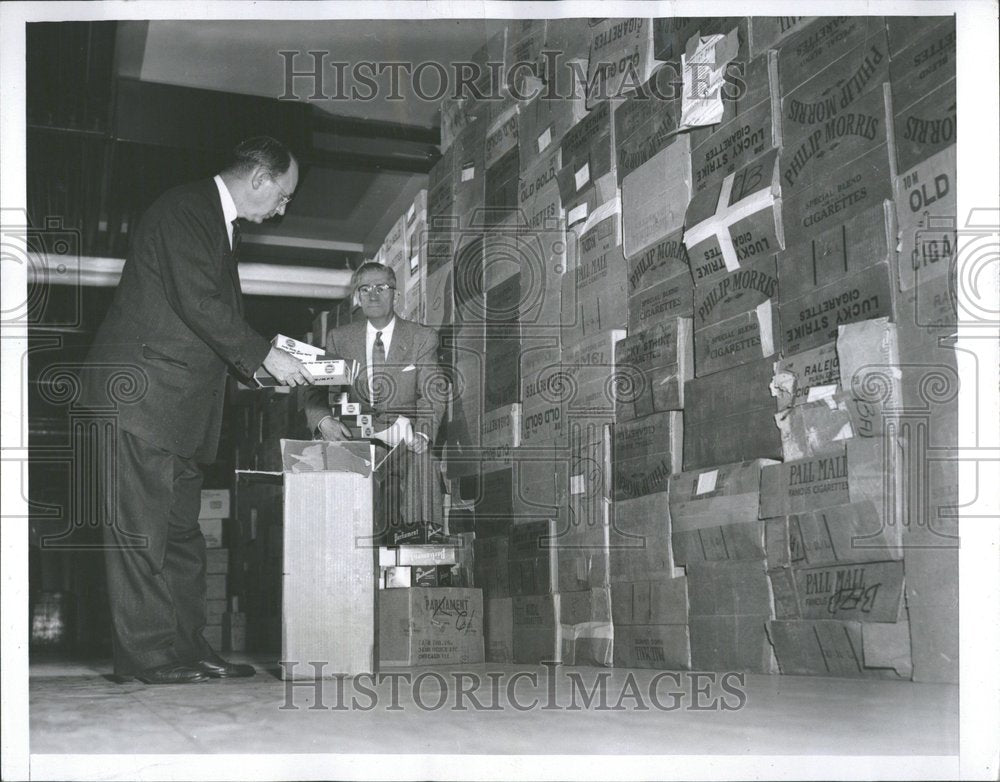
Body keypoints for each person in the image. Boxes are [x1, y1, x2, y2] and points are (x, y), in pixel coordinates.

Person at [81, 136, 314, 684]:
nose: (282, 209)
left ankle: (187, 649)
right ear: (258, 178)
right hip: (138, 400)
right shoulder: (186, 209)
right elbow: (198, 302)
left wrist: (258, 369)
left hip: (175, 409)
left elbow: (199, 319)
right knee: (140, 534)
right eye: (282, 196)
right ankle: (148, 657)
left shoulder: (216, 224)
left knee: (183, 536)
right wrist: (264, 354)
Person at [303, 263, 446, 536]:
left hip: (401, 442)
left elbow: (433, 391)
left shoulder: (421, 337)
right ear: (357, 297)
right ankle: (338, 552)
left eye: (381, 287)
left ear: (396, 294)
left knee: (424, 461)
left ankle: (423, 547)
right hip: (353, 436)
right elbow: (314, 389)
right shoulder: (340, 339)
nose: (373, 294)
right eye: (365, 289)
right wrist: (323, 421)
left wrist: (423, 435)